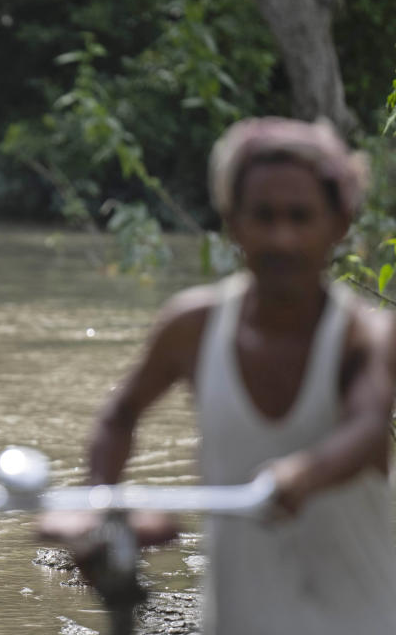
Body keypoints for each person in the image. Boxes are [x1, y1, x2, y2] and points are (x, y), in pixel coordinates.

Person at [41, 117, 396, 633]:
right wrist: (100, 504)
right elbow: (121, 414)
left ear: (339, 224)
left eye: (301, 217)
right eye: (263, 216)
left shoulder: (367, 335)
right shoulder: (193, 326)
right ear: (232, 223)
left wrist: (301, 475)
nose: (282, 237)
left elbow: (367, 429)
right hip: (237, 617)